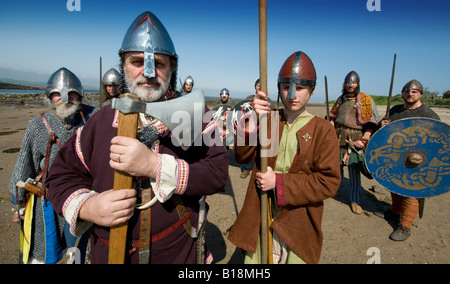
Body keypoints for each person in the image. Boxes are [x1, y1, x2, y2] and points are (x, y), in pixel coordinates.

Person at [46, 11, 228, 264]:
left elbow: (217, 172)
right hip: (108, 254)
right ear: (123, 66)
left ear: (172, 68)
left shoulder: (195, 116)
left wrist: (155, 166)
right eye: (137, 61)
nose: (149, 72)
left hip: (177, 255)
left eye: (159, 64)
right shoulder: (99, 122)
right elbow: (59, 175)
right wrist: (89, 207)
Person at [227, 51, 340, 264]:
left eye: (301, 88)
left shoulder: (323, 130)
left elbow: (329, 182)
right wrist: (252, 119)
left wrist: (278, 183)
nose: (292, 95)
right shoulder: (268, 119)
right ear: (279, 88)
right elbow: (241, 157)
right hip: (261, 211)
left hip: (299, 220)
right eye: (287, 87)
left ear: (312, 90)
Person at [9, 67, 97, 264]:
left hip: (85, 198)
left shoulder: (92, 119)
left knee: (80, 253)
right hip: (47, 200)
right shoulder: (37, 126)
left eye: (71, 93)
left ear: (80, 94)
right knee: (44, 254)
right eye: (58, 94)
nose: (65, 98)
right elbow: (23, 169)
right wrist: (18, 206)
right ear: (50, 96)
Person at [375, 79, 440, 241]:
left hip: (417, 161)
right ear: (402, 93)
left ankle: (405, 226)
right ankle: (395, 212)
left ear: (421, 94)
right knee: (394, 185)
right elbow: (382, 128)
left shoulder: (429, 115)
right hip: (396, 157)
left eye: (414, 91)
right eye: (406, 91)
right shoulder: (395, 110)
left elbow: (438, 141)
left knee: (411, 193)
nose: (410, 94)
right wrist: (382, 123)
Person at [329, 71, 378, 214]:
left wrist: (364, 139)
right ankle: (335, 189)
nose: (350, 85)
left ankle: (354, 200)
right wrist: (331, 127)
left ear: (358, 84)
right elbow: (332, 117)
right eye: (348, 83)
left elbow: (371, 124)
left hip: (356, 139)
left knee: (354, 171)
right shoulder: (340, 99)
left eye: (354, 82)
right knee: (336, 167)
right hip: (338, 136)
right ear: (344, 84)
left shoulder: (365, 100)